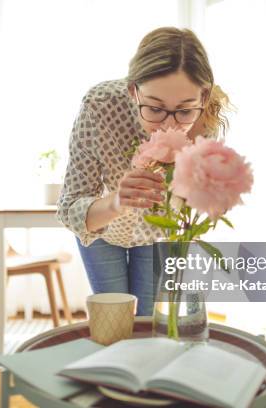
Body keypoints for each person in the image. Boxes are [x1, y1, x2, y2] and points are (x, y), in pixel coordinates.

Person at [56, 27, 230, 316]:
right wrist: (116, 201)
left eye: (185, 111)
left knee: (146, 320)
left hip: (156, 233)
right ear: (133, 90)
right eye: (154, 108)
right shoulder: (99, 105)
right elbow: (69, 206)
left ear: (203, 96)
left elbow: (201, 200)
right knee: (115, 320)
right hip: (103, 230)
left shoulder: (204, 123)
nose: (168, 126)